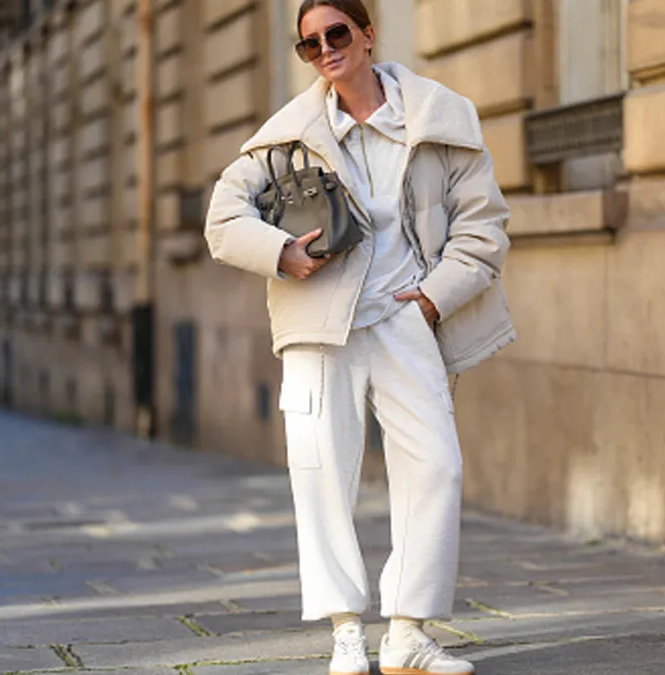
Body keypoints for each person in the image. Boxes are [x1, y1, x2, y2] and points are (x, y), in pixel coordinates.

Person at [204, 0, 514, 672]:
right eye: (310, 44)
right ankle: (346, 630)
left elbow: (483, 227)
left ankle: (407, 633)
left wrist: (433, 298)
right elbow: (222, 220)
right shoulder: (287, 136)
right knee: (320, 472)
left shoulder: (438, 120)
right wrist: (281, 251)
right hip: (318, 325)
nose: (326, 51)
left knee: (436, 466)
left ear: (369, 35)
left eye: (337, 33)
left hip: (406, 320)